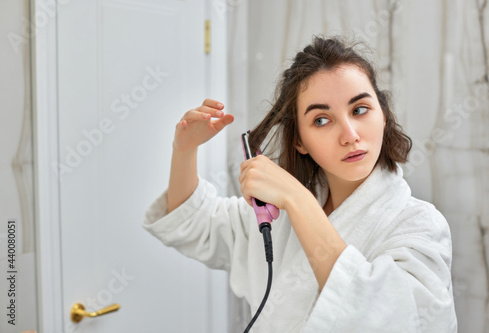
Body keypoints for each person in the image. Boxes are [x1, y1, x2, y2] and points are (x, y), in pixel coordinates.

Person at [143, 36, 457, 332]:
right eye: (321, 119)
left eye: (360, 110)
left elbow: (398, 319)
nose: (350, 134)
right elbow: (195, 223)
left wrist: (297, 199)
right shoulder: (275, 219)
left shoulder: (419, 225)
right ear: (300, 141)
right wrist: (184, 151)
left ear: (383, 115)